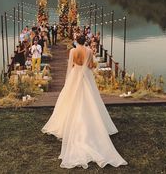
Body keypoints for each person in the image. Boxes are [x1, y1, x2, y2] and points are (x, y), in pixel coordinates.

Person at [42, 35, 127, 169]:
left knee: (69, 98)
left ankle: (65, 123)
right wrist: (89, 66)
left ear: (76, 41)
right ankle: (93, 120)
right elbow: (91, 65)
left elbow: (70, 66)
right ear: (85, 41)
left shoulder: (72, 51)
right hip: (86, 76)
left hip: (75, 75)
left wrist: (70, 78)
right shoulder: (89, 51)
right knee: (90, 98)